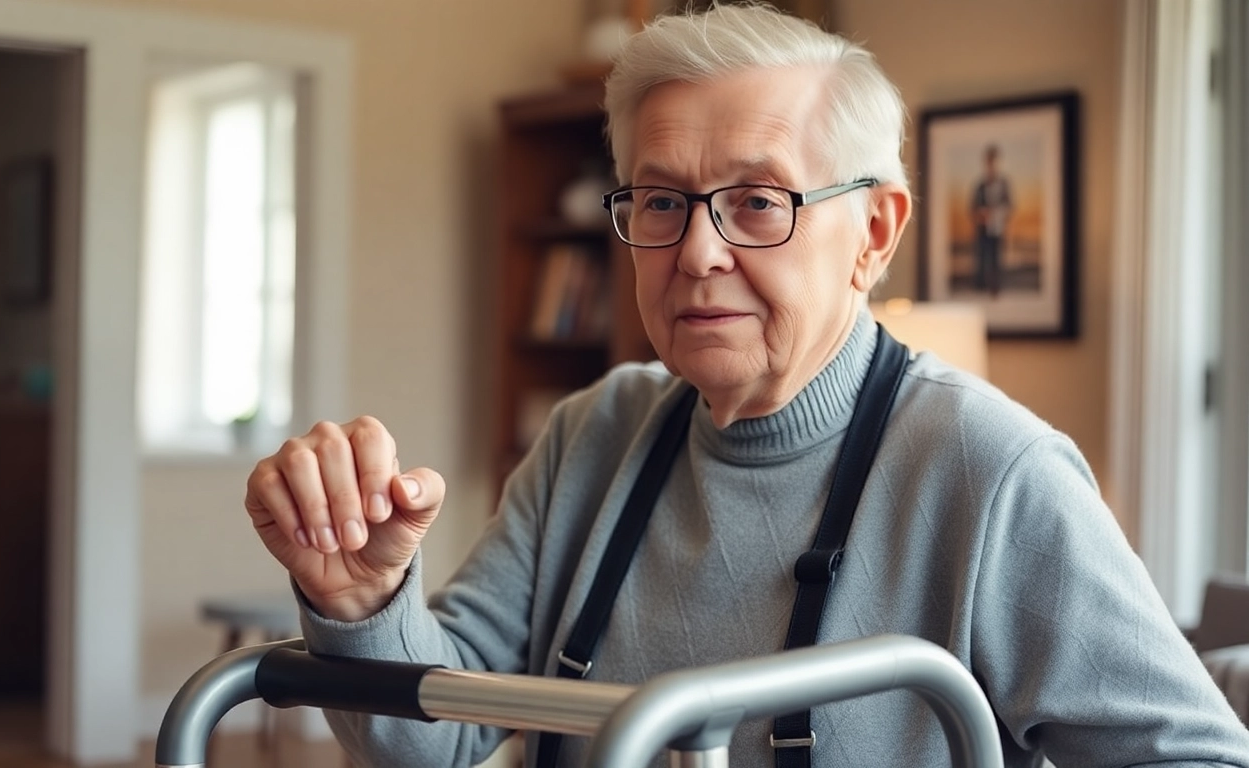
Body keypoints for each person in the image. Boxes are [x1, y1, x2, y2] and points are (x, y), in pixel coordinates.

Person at [244, 5, 1249, 767]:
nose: (698, 253)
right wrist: (367, 599)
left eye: (759, 201)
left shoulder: (993, 471)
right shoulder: (590, 434)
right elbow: (443, 736)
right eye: (663, 200)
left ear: (876, 232)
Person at [970, 144, 1012, 296]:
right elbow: (973, 207)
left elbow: (1009, 205)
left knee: (997, 258)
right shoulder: (980, 185)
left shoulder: (1004, 184)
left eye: (993, 161)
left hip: (998, 228)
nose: (991, 165)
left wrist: (997, 213)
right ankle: (981, 287)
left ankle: (996, 287)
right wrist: (981, 214)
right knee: (982, 257)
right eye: (989, 161)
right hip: (983, 228)